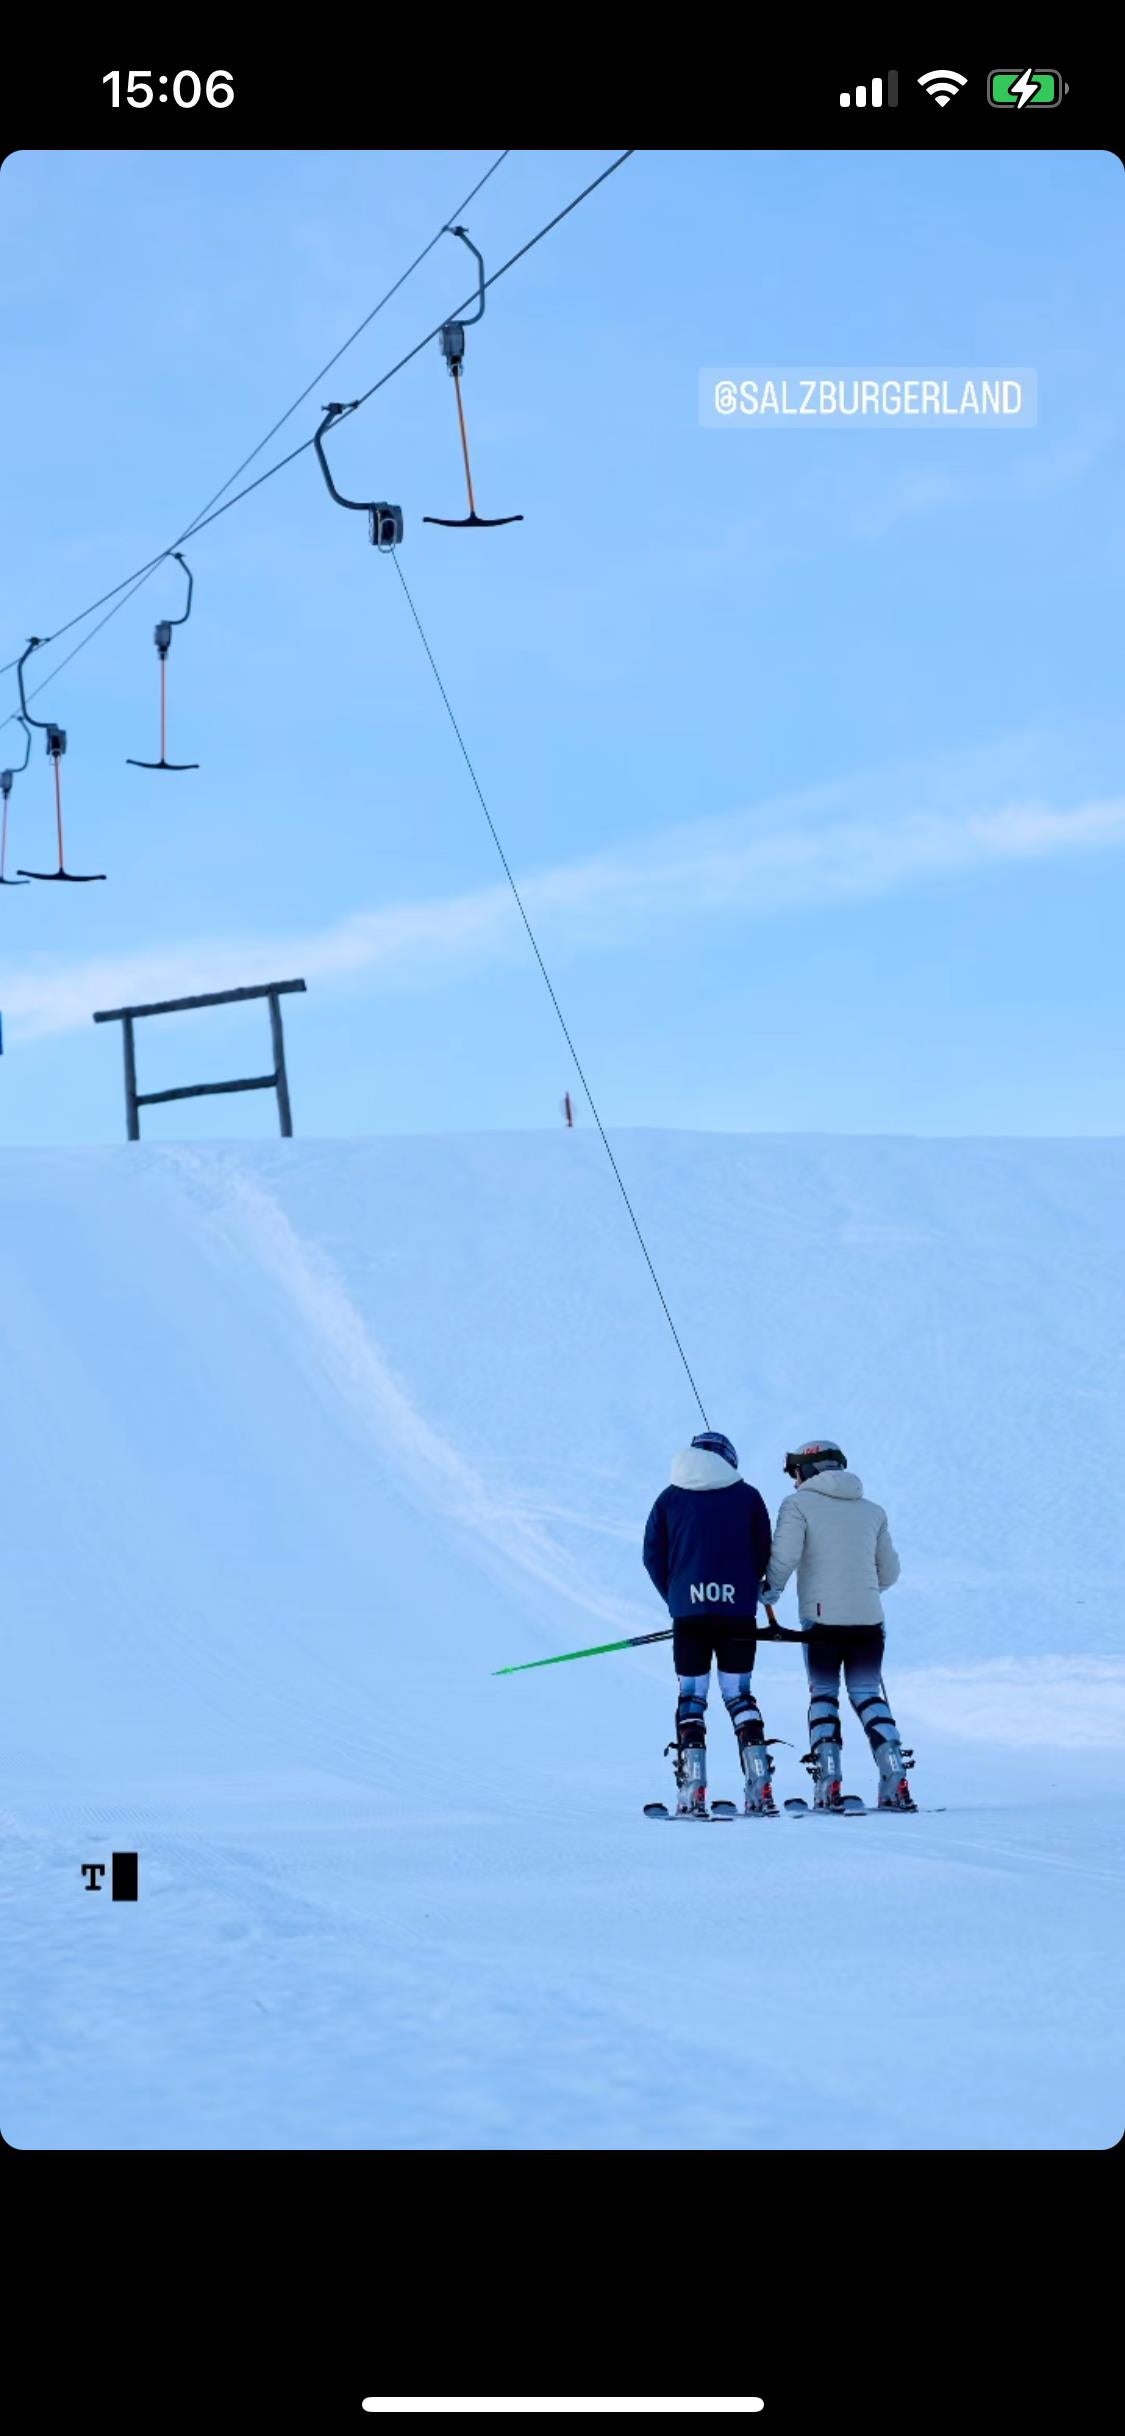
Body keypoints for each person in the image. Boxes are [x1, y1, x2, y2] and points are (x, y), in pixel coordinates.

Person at [763, 1440, 915, 1810]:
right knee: (867, 1695)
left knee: (824, 1695)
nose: (793, 1481)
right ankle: (895, 1776)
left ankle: (828, 1781)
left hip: (820, 1621)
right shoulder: (873, 1511)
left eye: (794, 1472)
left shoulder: (797, 1505)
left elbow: (784, 1558)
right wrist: (861, 1591)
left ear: (807, 1470)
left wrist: (771, 1590)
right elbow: (890, 1572)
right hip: (869, 1620)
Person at [643, 1430, 776, 1815]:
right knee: (739, 1696)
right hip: (738, 1614)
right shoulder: (748, 1496)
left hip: (689, 1615)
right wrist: (749, 1588)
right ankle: (760, 1786)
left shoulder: (669, 1498)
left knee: (692, 1699)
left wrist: (677, 1599)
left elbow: (652, 1555)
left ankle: (693, 1788)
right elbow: (763, 1550)